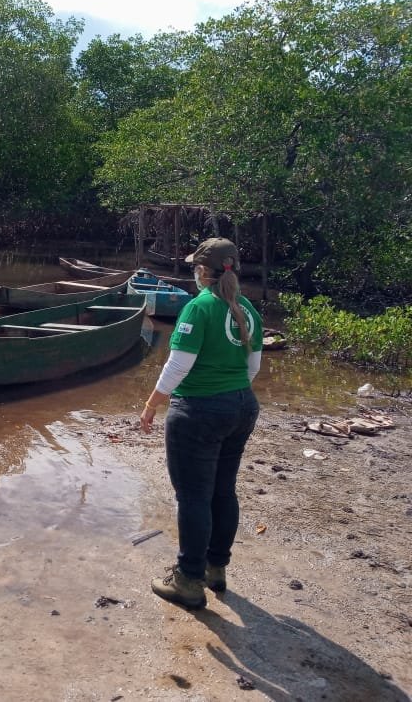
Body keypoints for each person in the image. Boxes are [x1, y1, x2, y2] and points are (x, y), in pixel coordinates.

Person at [139, 237, 263, 610]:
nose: (194, 272)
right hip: (241, 407)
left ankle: (189, 580)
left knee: (193, 496)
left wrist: (151, 404)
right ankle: (215, 568)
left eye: (196, 267)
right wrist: (230, 393)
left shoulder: (198, 307)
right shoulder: (247, 310)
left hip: (199, 411)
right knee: (223, 491)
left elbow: (178, 366)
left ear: (203, 272)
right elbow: (252, 368)